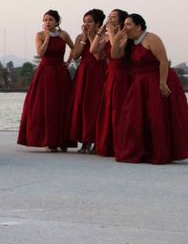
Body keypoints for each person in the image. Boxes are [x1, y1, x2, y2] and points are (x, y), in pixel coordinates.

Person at [113, 14, 188, 164]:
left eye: (128, 24)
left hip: (157, 80)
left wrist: (162, 82)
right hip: (140, 83)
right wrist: (116, 41)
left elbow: (163, 61)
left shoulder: (151, 38)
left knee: (156, 116)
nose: (125, 28)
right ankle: (141, 150)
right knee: (134, 117)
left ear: (139, 26)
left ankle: (160, 152)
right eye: (124, 24)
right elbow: (115, 56)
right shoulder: (129, 41)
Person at [17, 10, 76, 152]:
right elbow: (41, 53)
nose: (47, 22)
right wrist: (48, 38)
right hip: (45, 72)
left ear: (57, 21)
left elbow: (74, 49)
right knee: (44, 105)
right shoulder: (40, 35)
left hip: (60, 73)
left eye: (50, 19)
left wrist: (68, 61)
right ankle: (48, 140)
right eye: (45, 19)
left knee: (62, 105)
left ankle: (62, 140)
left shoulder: (64, 35)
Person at [91, 9, 130, 157]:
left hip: (123, 74)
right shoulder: (107, 36)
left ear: (120, 21)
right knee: (108, 107)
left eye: (113, 17)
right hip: (110, 74)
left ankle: (121, 143)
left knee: (120, 109)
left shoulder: (125, 35)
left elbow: (116, 52)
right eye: (109, 17)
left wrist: (112, 32)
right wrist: (101, 31)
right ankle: (107, 143)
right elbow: (93, 49)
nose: (110, 19)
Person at [68, 9, 108, 154]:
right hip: (83, 72)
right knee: (82, 105)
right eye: (84, 21)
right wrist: (84, 37)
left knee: (96, 106)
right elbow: (75, 55)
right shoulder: (80, 37)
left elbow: (98, 56)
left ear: (98, 23)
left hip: (98, 72)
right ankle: (84, 141)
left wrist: (92, 37)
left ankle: (97, 140)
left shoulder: (105, 37)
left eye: (90, 21)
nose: (86, 24)